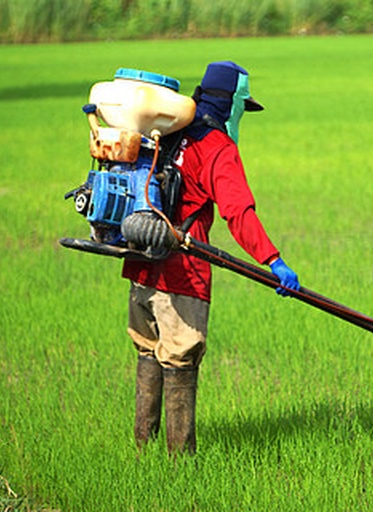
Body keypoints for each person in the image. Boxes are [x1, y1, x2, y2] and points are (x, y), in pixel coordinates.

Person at [121, 61, 300, 456]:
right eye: (242, 107)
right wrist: (274, 261)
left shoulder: (168, 131)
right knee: (181, 358)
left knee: (148, 350)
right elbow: (238, 212)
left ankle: (142, 451)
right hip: (182, 269)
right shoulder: (218, 147)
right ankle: (180, 464)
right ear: (231, 103)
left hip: (139, 260)